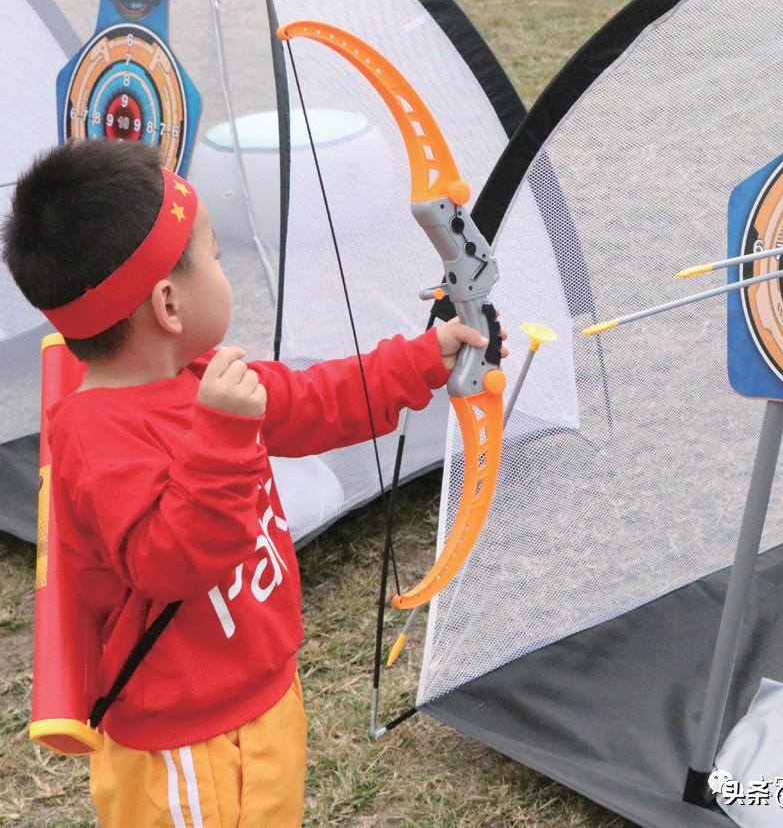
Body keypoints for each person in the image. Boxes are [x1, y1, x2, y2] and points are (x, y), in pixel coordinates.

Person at [2, 139, 505, 827]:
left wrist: (421, 358)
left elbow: (312, 400)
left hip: (262, 698)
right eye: (213, 254)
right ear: (169, 304)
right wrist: (222, 436)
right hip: (182, 748)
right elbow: (168, 561)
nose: (224, 267)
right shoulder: (96, 436)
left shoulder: (197, 376)